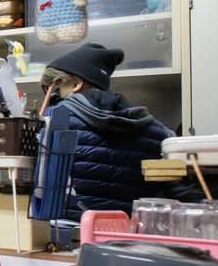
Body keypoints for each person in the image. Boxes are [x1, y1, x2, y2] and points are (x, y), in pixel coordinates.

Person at [37, 42, 175, 219]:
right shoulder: (155, 128)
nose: (53, 97)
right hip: (126, 236)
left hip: (63, 230)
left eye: (57, 88)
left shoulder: (55, 120)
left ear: (76, 84)